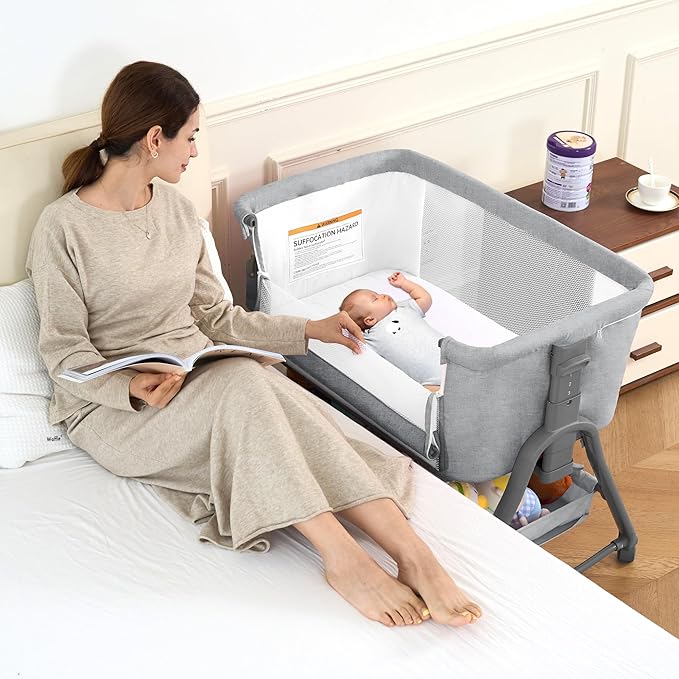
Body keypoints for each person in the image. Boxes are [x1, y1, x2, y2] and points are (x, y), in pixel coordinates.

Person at [26, 61, 481, 628]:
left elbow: (215, 317)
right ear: (154, 139)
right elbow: (64, 355)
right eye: (191, 137)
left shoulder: (177, 210)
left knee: (281, 399)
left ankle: (414, 556)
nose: (195, 152)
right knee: (246, 384)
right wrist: (131, 387)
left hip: (197, 373)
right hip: (116, 411)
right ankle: (344, 559)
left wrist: (310, 329)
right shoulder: (62, 228)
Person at [340, 272, 444, 391]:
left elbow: (424, 298)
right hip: (432, 381)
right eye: (375, 298)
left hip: (449, 354)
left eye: (378, 294)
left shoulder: (403, 308)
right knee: (433, 397)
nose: (383, 295)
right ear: (370, 320)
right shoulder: (369, 338)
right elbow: (351, 341)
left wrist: (404, 283)